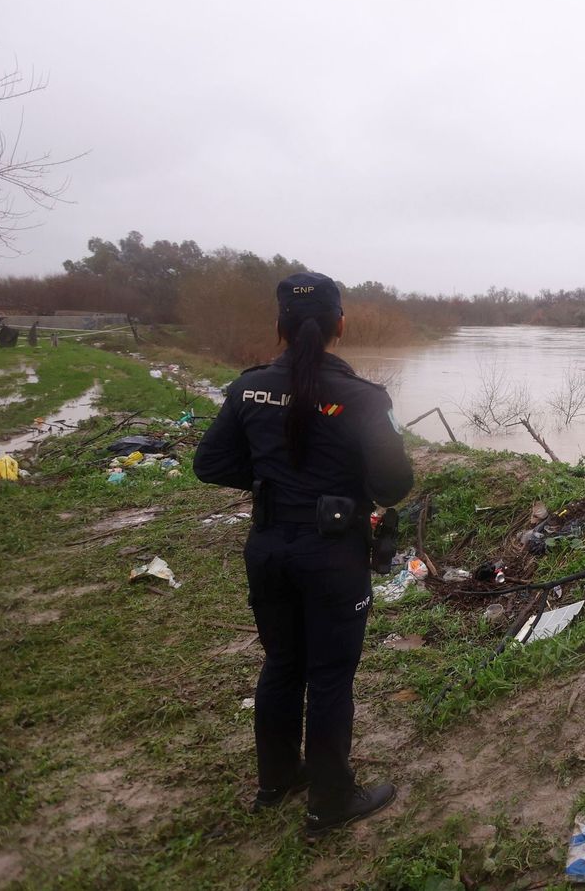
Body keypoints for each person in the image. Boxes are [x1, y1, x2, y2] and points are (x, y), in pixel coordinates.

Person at [194, 271, 413, 837]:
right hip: (331, 555)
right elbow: (393, 487)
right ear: (341, 324)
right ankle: (331, 800)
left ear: (279, 327)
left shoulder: (247, 389)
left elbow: (210, 464)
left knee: (283, 663)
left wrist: (274, 482)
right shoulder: (364, 398)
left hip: (268, 548)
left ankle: (277, 779)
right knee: (331, 675)